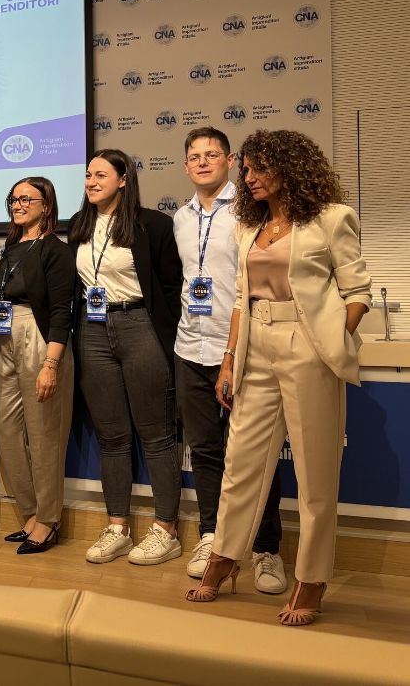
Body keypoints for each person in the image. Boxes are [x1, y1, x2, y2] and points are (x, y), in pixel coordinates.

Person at [187, 129, 371, 627]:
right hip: (256, 347)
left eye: (258, 168)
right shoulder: (251, 226)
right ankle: (226, 557)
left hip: (308, 347)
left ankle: (311, 578)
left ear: (289, 166)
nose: (248, 177)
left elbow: (357, 291)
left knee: (315, 475)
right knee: (240, 463)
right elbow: (241, 299)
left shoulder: (331, 218)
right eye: (246, 169)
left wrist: (331, 340)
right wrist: (229, 359)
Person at [173, 128, 285, 593]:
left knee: (254, 455)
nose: (203, 162)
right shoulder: (180, 218)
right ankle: (211, 537)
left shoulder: (250, 212)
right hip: (189, 349)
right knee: (204, 452)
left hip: (242, 350)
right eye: (195, 156)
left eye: (212, 154)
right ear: (186, 165)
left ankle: (265, 549)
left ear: (230, 160)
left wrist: (234, 352)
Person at [68, 149, 183, 565]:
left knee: (156, 434)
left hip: (140, 326)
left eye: (101, 175)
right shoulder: (79, 225)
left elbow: (171, 288)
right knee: (112, 436)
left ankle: (166, 530)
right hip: (92, 330)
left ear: (123, 180)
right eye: (88, 175)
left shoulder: (153, 224)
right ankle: (117, 527)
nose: (91, 181)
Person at [0, 176, 77, 555]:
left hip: (40, 337)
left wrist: (51, 364)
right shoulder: (11, 248)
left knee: (44, 435)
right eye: (14, 198)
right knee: (5, 429)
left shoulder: (56, 250)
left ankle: (48, 519)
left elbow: (61, 311)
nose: (18, 204)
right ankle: (30, 512)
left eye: (27, 199)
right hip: (4, 337)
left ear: (46, 205)